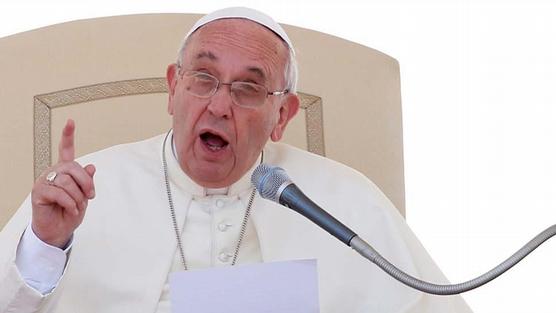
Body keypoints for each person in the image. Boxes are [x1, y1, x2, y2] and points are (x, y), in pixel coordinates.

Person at [0, 7, 472, 313]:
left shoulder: (343, 200)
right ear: (173, 88)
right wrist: (45, 244)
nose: (220, 106)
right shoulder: (83, 193)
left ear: (282, 114)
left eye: (248, 88)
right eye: (203, 78)